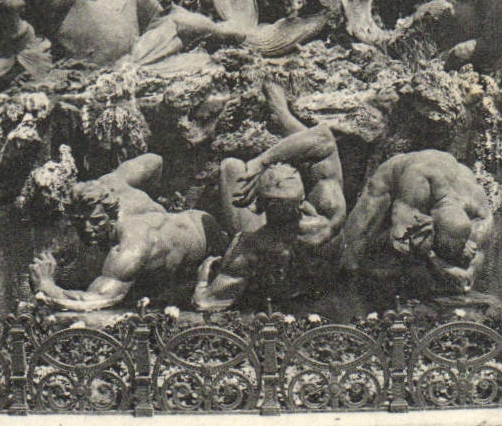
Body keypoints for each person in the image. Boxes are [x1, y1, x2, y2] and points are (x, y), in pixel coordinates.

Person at [191, 82, 347, 311]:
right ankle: (282, 116)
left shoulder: (248, 245)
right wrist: (266, 158)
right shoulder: (328, 219)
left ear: (258, 204)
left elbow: (205, 303)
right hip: (313, 285)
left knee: (231, 167)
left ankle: (279, 117)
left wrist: (203, 277)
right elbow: (324, 139)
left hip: (270, 281)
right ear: (303, 200)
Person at [27, 153, 224, 310]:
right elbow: (155, 160)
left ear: (112, 215)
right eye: (80, 222)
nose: (87, 229)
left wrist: (47, 286)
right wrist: (156, 203)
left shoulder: (133, 244)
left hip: (206, 240)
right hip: (187, 220)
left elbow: (96, 300)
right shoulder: (111, 184)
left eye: (96, 222)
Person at [338, 149, 493, 296]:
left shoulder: (478, 208)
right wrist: (438, 262)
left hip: (449, 178)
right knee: (352, 251)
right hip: (397, 176)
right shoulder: (417, 183)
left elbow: (478, 255)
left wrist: (469, 272)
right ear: (431, 224)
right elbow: (401, 240)